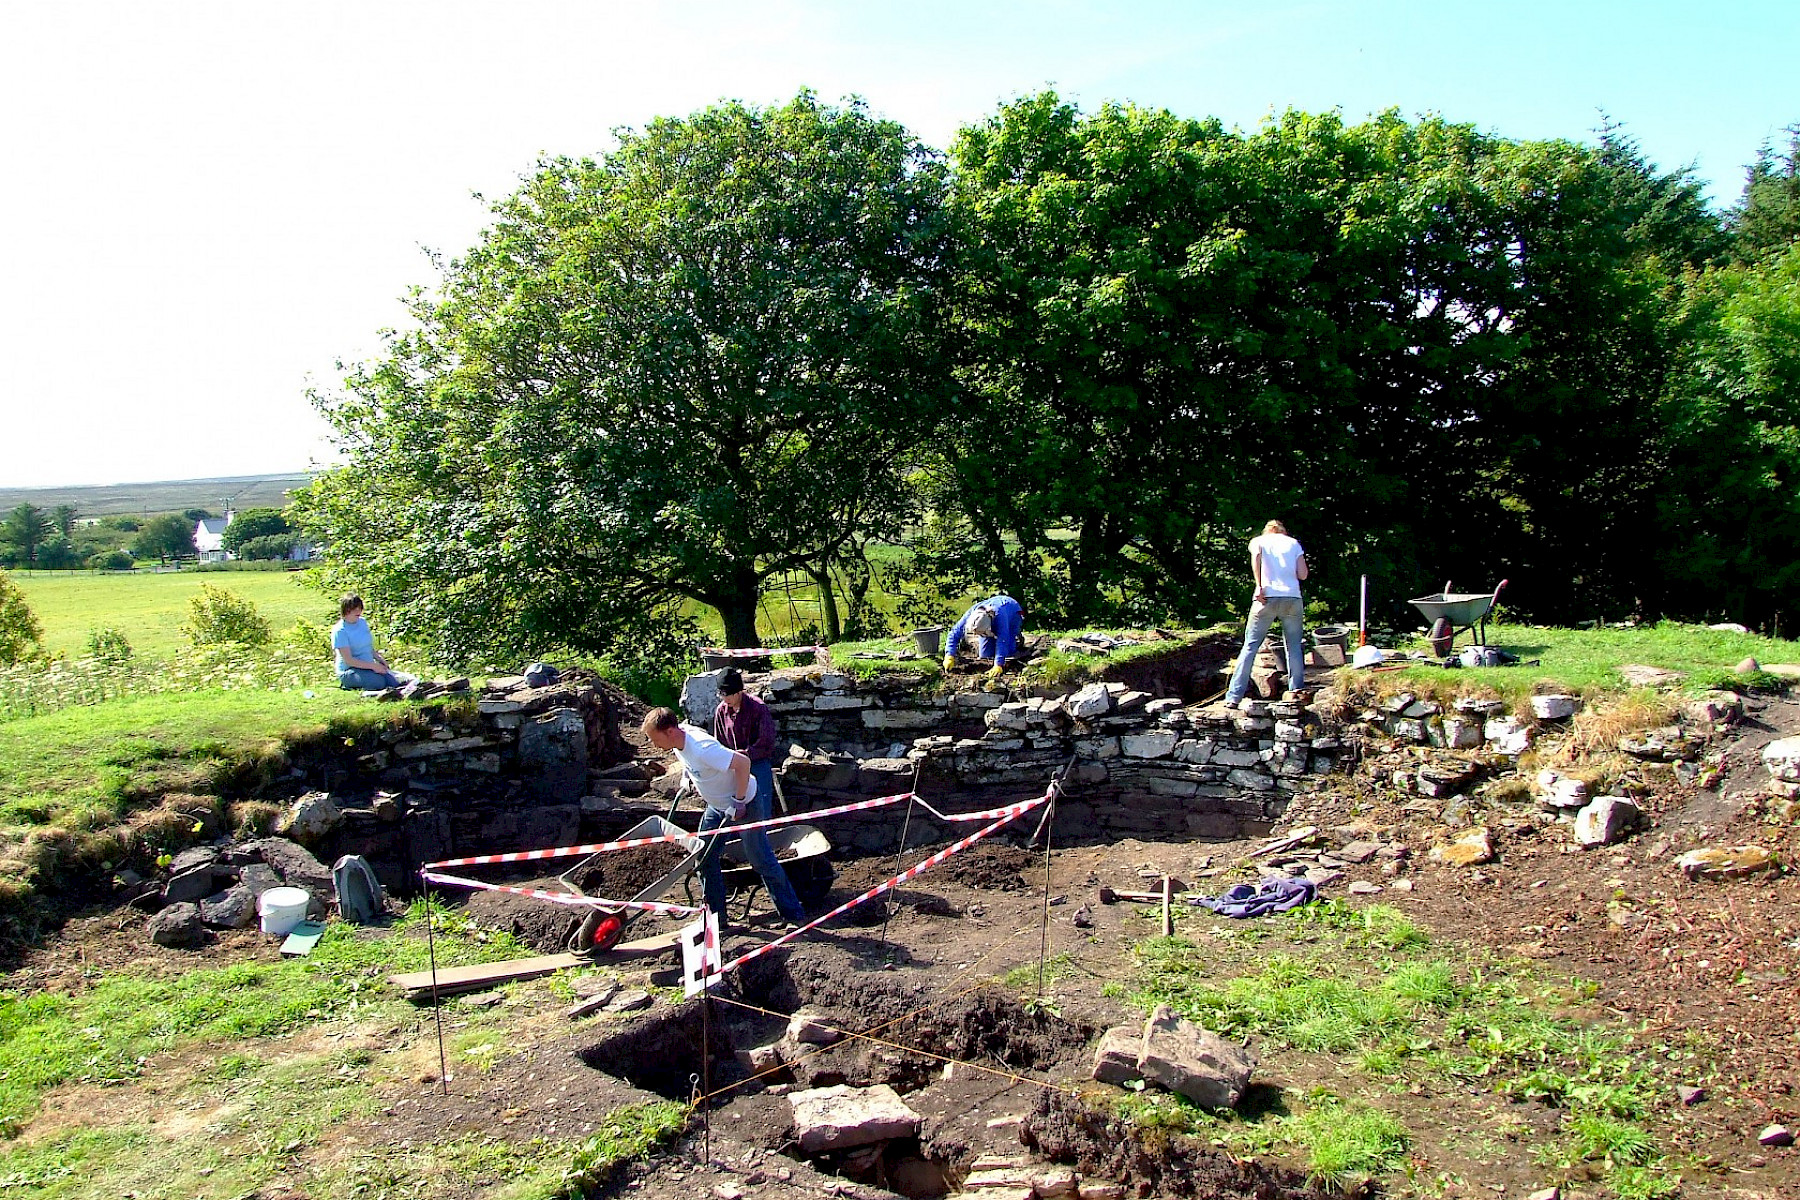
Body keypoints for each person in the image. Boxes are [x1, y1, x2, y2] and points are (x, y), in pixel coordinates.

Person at [641, 705, 807, 932]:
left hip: (745, 804)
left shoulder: (703, 749)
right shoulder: (679, 740)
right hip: (718, 806)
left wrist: (738, 801)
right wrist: (687, 778)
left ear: (670, 731)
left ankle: (793, 915)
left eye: (654, 738)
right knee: (703, 855)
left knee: (760, 859)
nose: (653, 744)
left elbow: (743, 763)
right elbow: (688, 761)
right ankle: (717, 920)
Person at [1222, 521, 1309, 709]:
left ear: (1266, 531)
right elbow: (1303, 575)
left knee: (1250, 646)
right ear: (1283, 531)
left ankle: (1234, 696)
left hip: (1265, 597)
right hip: (1292, 598)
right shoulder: (1293, 544)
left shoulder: (1258, 541)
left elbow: (1257, 558)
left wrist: (1259, 585)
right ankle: (1296, 691)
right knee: (1293, 646)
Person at [332, 594, 408, 690]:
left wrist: (380, 660)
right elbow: (349, 660)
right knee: (378, 682)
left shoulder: (362, 622)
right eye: (355, 609)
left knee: (392, 681)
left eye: (360, 608)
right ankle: (352, 686)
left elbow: (368, 647)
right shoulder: (340, 631)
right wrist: (373, 666)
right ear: (346, 610)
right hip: (350, 670)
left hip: (369, 666)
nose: (358, 611)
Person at [941, 595, 1024, 680]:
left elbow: (1003, 640)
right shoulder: (971, 615)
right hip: (991, 619)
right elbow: (954, 633)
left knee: (1008, 654)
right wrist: (949, 655)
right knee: (985, 655)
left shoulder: (1000, 617)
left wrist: (998, 665)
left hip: (1013, 612)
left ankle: (1016, 642)